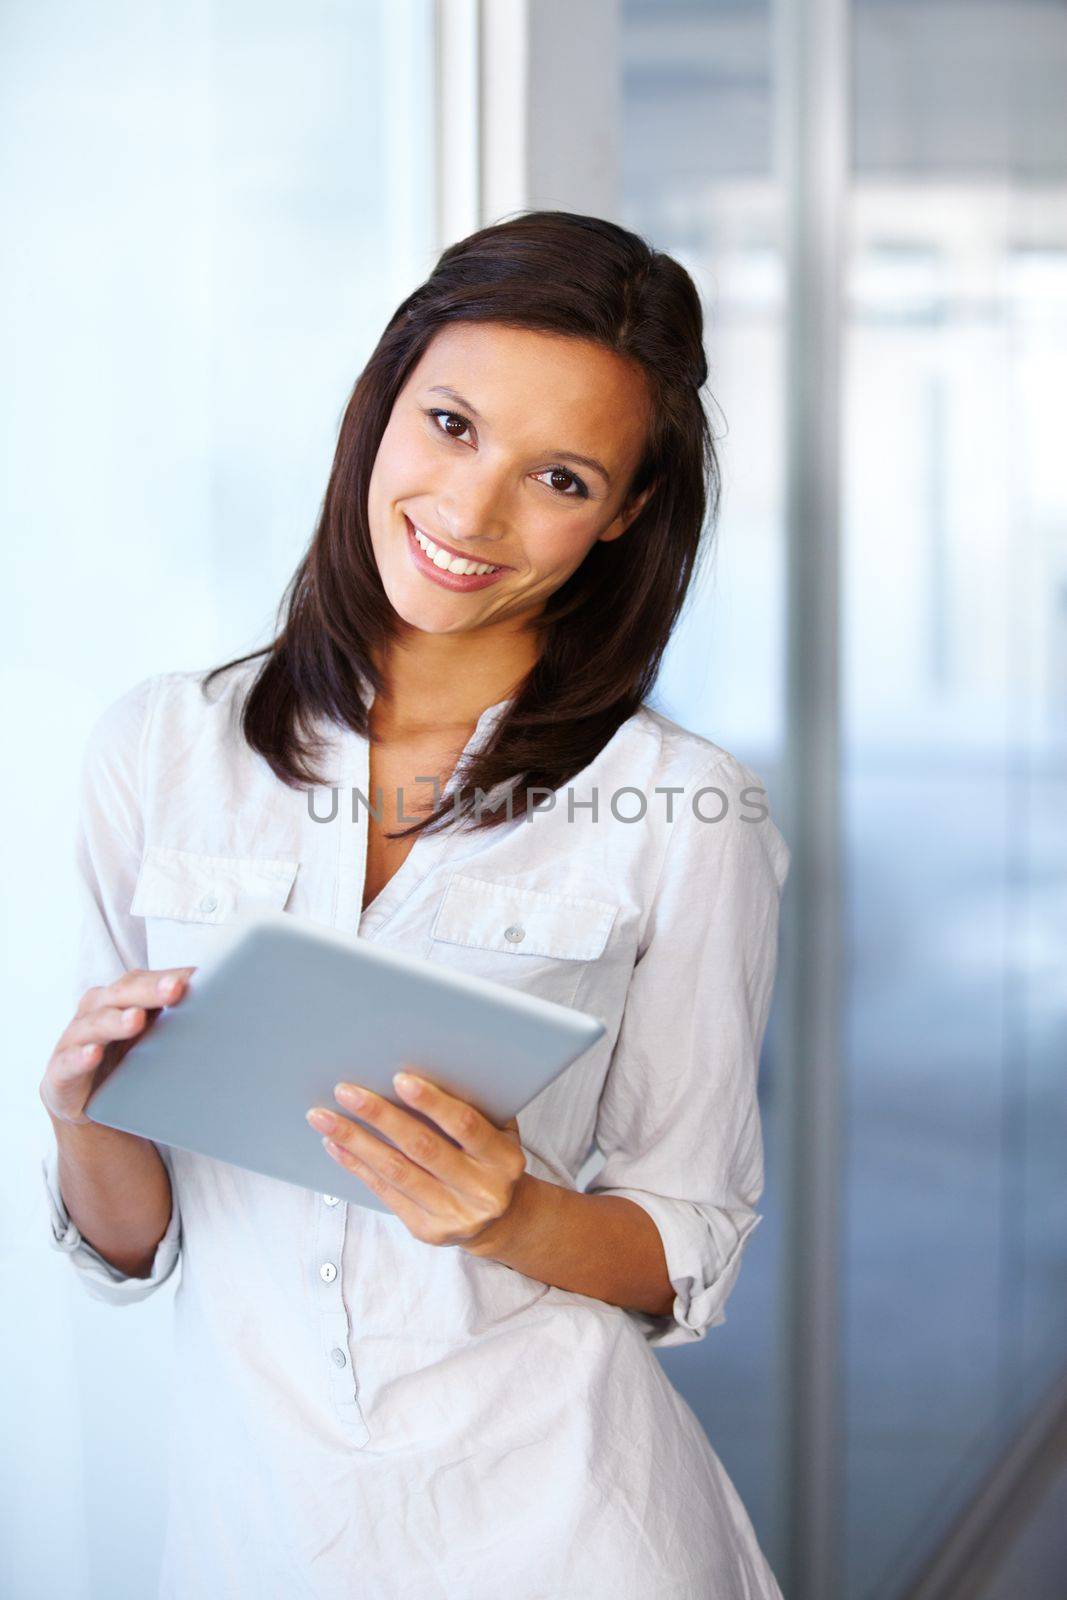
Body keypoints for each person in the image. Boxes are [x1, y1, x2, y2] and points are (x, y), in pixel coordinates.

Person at [39, 210, 790, 1599]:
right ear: (386, 398)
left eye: (558, 476)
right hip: (253, 1531)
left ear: (624, 511)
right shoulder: (158, 748)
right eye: (450, 425)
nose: (471, 513)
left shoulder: (688, 812)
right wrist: (82, 1112)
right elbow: (133, 1243)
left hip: (571, 1534)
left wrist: (512, 1216)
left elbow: (683, 1241)